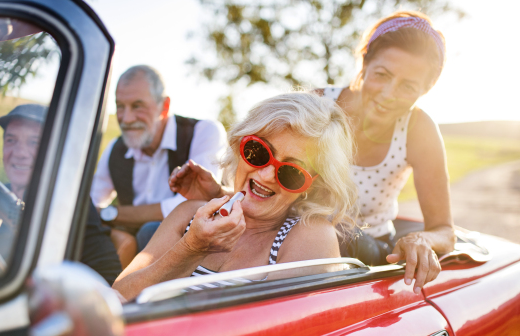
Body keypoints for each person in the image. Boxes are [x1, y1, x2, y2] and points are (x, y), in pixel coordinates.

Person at [169, 11, 455, 295]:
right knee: (152, 232)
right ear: (365, 63)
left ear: (426, 89)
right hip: (281, 226)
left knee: (324, 231)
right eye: (382, 75)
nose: (389, 93)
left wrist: (420, 238)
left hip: (358, 242)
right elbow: (281, 177)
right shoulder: (318, 106)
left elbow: (444, 230)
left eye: (408, 86)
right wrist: (219, 191)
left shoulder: (419, 130)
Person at [113, 92, 357, 301]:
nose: (267, 174)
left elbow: (272, 335)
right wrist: (191, 249)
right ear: (239, 145)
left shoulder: (310, 235)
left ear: (311, 187)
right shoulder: (190, 213)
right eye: (258, 151)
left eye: (292, 172)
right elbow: (120, 296)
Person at [0, 104, 123, 285]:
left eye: (34, 142)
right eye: (11, 140)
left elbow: (107, 276)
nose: (19, 153)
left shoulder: (68, 205)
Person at [90, 65, 227, 252]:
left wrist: (112, 214)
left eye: (137, 106)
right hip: (133, 247)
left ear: (165, 106)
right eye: (120, 106)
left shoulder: (204, 132)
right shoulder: (115, 148)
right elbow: (92, 203)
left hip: (197, 249)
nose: (126, 118)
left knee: (150, 231)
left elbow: (193, 204)